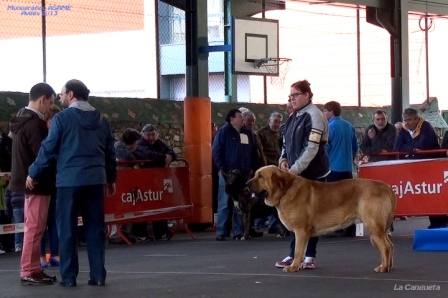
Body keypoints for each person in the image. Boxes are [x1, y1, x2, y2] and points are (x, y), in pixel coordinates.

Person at [27, 79, 117, 287]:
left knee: (66, 228)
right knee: (95, 229)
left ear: (70, 95)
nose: (59, 98)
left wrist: (33, 172)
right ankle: (98, 276)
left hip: (69, 181)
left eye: (60, 94)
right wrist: (111, 178)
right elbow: (109, 153)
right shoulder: (102, 121)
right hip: (96, 181)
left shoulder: (62, 119)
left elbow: (48, 149)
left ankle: (68, 278)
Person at [275, 79, 330, 269]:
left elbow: (312, 148)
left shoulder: (315, 116)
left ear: (307, 95)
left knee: (310, 215)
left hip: (312, 174)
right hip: (293, 175)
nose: (292, 99)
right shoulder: (293, 116)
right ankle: (293, 254)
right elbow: (285, 143)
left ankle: (309, 257)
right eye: (290, 96)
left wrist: (294, 170)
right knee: (294, 215)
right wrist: (282, 160)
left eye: (295, 95)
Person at [9, 82, 56, 285]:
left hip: (24, 182)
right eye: (51, 103)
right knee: (35, 228)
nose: (51, 109)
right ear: (42, 99)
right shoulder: (36, 124)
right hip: (36, 184)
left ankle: (34, 268)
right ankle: (29, 270)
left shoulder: (20, 122)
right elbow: (43, 155)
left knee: (34, 228)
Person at [394, 108, 447, 229]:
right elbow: (397, 147)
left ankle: (439, 222)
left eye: (409, 120)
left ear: (417, 119)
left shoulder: (426, 127)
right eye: (405, 120)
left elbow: (422, 146)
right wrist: (412, 150)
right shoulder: (404, 129)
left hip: (432, 167)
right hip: (415, 167)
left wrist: (408, 148)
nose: (406, 123)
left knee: (434, 194)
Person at [212, 108, 259, 241]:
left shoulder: (247, 133)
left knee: (242, 203)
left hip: (244, 175)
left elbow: (254, 151)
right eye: (239, 116)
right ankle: (221, 231)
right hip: (228, 175)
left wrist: (252, 168)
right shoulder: (223, 132)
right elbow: (216, 151)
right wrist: (222, 168)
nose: (242, 119)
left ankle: (239, 231)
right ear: (232, 119)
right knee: (225, 202)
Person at [323, 101, 358, 237]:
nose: (324, 114)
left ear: (331, 112)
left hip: (333, 168)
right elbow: (355, 146)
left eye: (325, 111)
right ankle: (351, 228)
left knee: (333, 200)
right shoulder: (349, 126)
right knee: (349, 199)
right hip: (347, 168)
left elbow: (326, 148)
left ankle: (335, 226)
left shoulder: (329, 127)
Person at [135, 124, 176, 240]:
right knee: (141, 205)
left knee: (159, 204)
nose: (151, 137)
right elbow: (148, 154)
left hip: (158, 179)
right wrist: (164, 158)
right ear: (143, 135)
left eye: (153, 134)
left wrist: (169, 156)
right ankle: (140, 233)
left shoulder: (159, 143)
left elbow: (172, 152)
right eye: (148, 135)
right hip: (143, 179)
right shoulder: (141, 144)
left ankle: (161, 231)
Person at [255, 111, 284, 235]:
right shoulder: (261, 134)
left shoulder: (279, 135)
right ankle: (259, 223)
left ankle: (274, 225)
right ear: (269, 121)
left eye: (279, 122)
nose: (277, 124)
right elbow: (260, 153)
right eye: (275, 121)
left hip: (277, 171)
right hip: (265, 171)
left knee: (275, 196)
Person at [40, 106, 61, 268]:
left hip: (56, 183)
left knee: (54, 221)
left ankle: (55, 255)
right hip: (41, 182)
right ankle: (40, 257)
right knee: (42, 222)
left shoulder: (59, 138)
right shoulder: (42, 137)